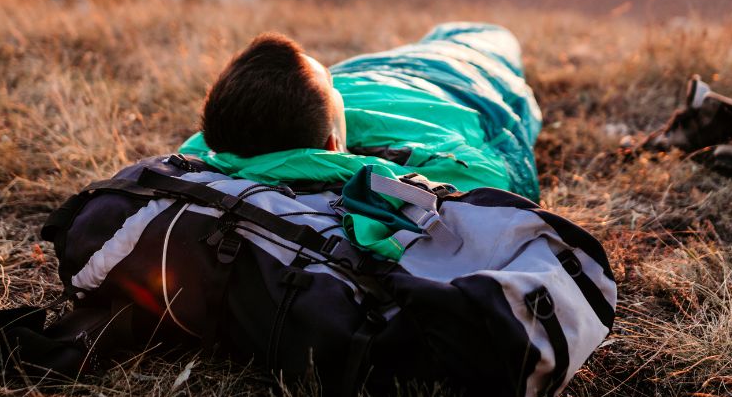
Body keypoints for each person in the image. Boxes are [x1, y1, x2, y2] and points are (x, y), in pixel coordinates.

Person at [178, 23, 543, 256]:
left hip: (378, 67)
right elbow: (499, 179)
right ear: (335, 143)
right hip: (458, 77)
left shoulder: (213, 152)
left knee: (442, 33)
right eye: (332, 87)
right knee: (488, 33)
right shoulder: (393, 174)